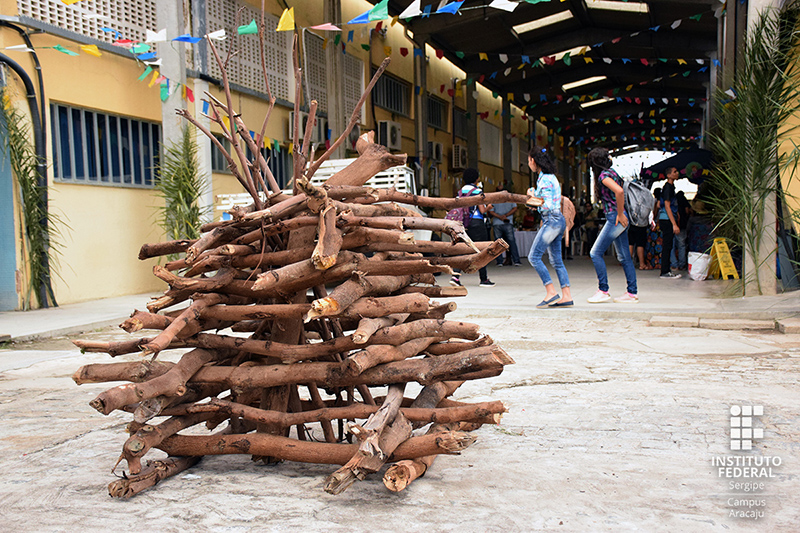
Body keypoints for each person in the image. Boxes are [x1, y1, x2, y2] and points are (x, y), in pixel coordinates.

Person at [586, 147, 638, 303]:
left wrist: (620, 214)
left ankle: (603, 290)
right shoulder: (613, 172)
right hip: (619, 217)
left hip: (615, 218)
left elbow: (619, 192)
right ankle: (631, 293)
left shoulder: (604, 176)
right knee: (624, 257)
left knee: (595, 253)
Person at [525, 147, 572, 307]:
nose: (528, 163)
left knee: (534, 256)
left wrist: (532, 197)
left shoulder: (544, 179)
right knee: (556, 260)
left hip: (551, 220)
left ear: (533, 161)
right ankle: (566, 295)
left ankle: (551, 291)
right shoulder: (549, 177)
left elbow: (546, 205)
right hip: (558, 220)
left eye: (529, 160)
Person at [450, 168, 495, 287]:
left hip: (463, 224)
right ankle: (484, 279)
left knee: (463, 250)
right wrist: (489, 207)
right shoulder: (478, 191)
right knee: (482, 249)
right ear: (477, 179)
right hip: (476, 223)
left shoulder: (460, 191)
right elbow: (482, 210)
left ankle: (455, 276)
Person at [487, 182, 521, 266]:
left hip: (497, 223)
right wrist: (506, 216)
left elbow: (490, 211)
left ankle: (499, 261)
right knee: (511, 242)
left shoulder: (494, 199)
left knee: (498, 243)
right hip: (508, 222)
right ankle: (516, 260)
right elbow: (515, 208)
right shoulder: (509, 198)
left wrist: (499, 216)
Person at [658, 166, 682, 279]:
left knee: (668, 245)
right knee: (667, 246)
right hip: (667, 219)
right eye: (674, 172)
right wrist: (674, 224)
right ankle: (665, 271)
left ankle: (666, 270)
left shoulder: (671, 187)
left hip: (667, 218)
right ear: (668, 175)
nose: (677, 173)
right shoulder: (668, 187)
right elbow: (666, 206)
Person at [671, 190, 691, 271]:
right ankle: (682, 264)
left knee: (671, 245)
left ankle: (674, 264)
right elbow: (687, 210)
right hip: (682, 224)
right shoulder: (684, 200)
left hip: (672, 223)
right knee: (682, 245)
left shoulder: (673, 201)